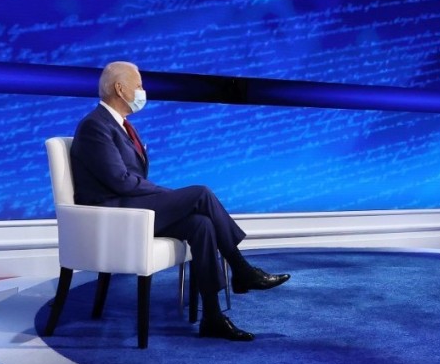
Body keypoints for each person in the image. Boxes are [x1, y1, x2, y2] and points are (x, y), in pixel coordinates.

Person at [70, 61, 290, 341]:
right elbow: (120, 181)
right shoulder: (95, 125)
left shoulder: (121, 126)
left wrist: (162, 196)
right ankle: (242, 269)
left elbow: (130, 179)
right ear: (120, 88)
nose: (142, 91)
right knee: (200, 193)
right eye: (139, 85)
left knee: (201, 225)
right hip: (115, 215)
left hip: (135, 210)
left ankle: (212, 318)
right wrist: (165, 194)